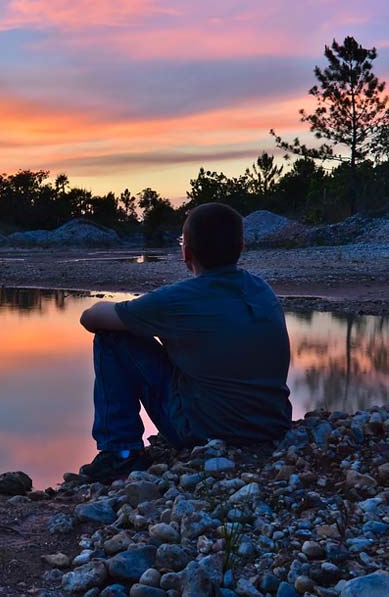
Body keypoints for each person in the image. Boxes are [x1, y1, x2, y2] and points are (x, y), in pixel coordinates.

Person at [78, 202, 292, 482]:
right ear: (240, 247)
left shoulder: (178, 299)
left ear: (186, 253)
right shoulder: (261, 288)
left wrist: (143, 321)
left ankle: (120, 453)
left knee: (112, 337)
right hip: (272, 425)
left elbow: (90, 318)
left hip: (208, 431)